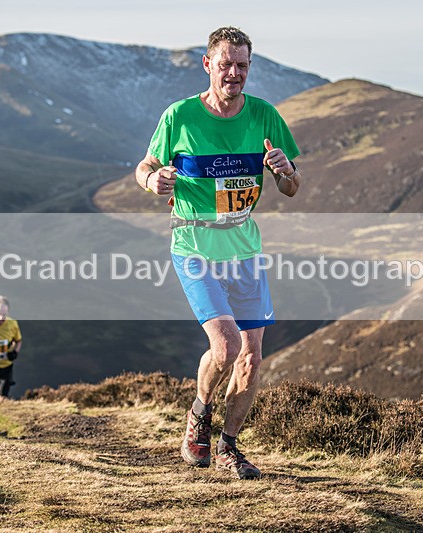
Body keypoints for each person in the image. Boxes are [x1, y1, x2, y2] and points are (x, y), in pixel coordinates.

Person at [134, 26, 302, 479]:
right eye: (225, 64)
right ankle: (199, 414)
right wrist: (153, 181)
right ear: (208, 64)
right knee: (225, 345)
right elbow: (146, 165)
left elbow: (291, 187)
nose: (234, 74)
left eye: (242, 66)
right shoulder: (181, 116)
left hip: (245, 249)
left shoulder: (265, 116)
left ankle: (228, 446)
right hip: (194, 245)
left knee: (251, 355)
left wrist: (286, 172)